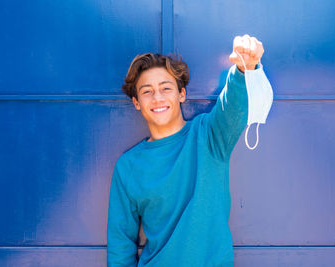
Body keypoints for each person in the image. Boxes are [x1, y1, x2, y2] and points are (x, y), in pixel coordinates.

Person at [107, 34, 270, 266]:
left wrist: (245, 67)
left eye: (166, 88)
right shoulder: (128, 166)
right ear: (136, 102)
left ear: (181, 94)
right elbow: (120, 242)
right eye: (147, 91)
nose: (157, 97)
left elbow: (232, 107)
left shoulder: (209, 135)